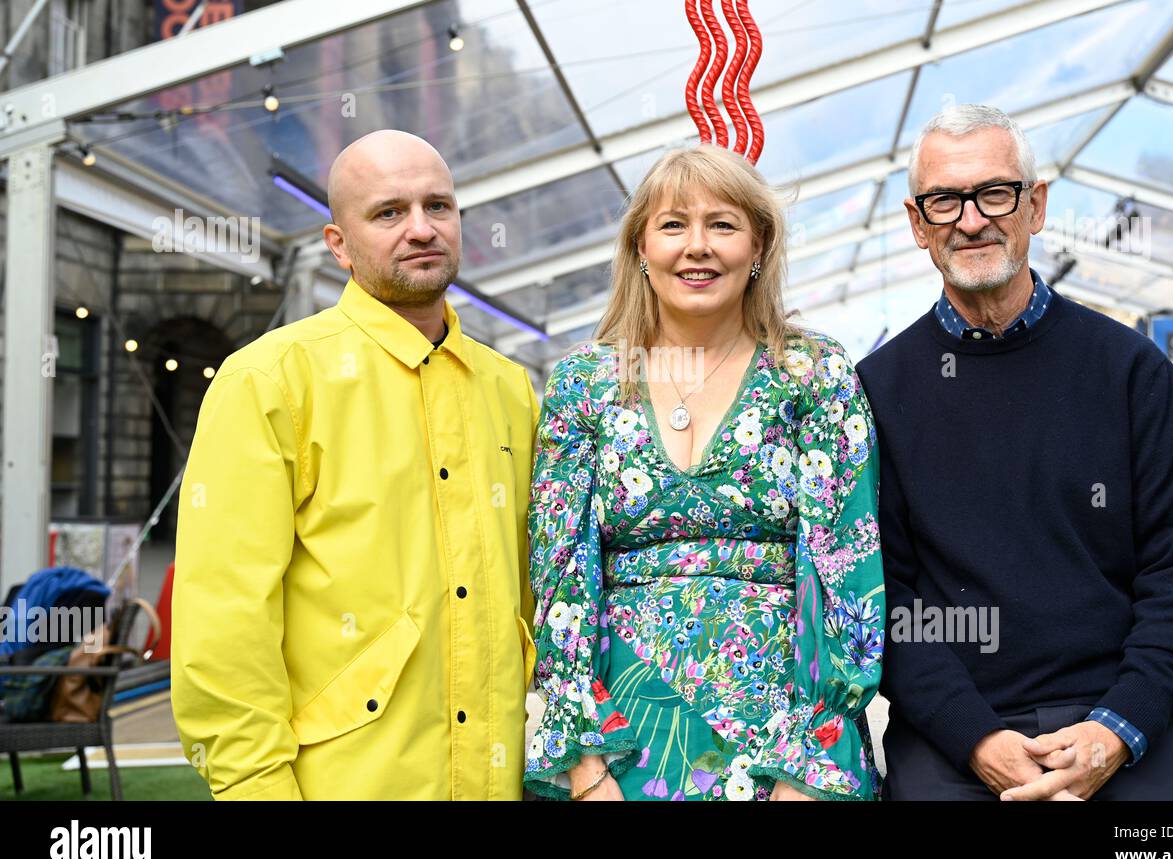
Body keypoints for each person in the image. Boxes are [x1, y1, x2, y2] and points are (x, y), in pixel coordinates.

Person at [856, 104, 1173, 801]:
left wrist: (1115, 730)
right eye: (945, 201)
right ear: (916, 223)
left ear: (1037, 206)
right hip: (952, 734)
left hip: (1116, 719)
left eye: (995, 192)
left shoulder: (1132, 373)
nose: (971, 219)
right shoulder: (875, 394)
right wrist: (977, 740)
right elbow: (882, 597)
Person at [172, 130, 538, 800]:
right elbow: (225, 617)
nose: (421, 229)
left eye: (439, 207)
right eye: (389, 212)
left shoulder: (510, 390)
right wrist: (256, 787)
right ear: (337, 244)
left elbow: (531, 595)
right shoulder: (270, 381)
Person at [522, 143, 885, 801]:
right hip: (621, 743)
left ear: (759, 246)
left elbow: (846, 569)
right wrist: (585, 767)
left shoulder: (814, 374)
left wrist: (807, 769)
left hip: (788, 743)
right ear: (639, 247)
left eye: (722, 224)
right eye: (672, 225)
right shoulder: (583, 383)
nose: (698, 246)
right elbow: (559, 575)